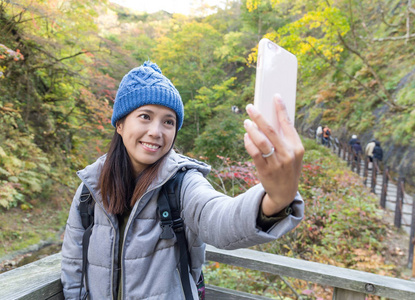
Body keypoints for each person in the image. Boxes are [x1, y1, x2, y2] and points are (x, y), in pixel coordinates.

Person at [60, 61, 305, 300]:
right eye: (145, 116)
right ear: (120, 124)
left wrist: (275, 200)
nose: (156, 131)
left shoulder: (183, 183)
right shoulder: (90, 189)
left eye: (168, 121)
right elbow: (73, 268)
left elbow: (218, 218)